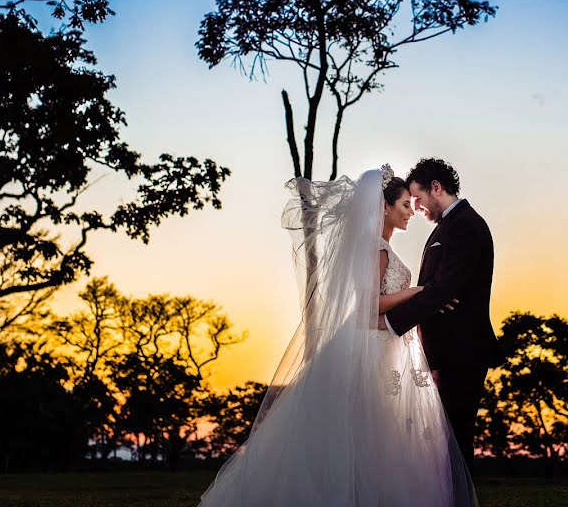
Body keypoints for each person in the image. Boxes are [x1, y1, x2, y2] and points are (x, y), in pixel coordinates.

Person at [198, 167, 476, 506]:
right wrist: (419, 290)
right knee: (374, 432)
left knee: (385, 434)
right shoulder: (378, 249)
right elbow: (370, 303)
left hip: (389, 345)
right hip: (375, 349)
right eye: (405, 205)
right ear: (385, 207)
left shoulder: (381, 246)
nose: (411, 212)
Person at [381, 158, 503, 467]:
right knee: (445, 440)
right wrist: (435, 293)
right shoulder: (449, 225)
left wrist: (390, 322)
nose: (417, 207)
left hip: (463, 349)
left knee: (456, 438)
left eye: (418, 199)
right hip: (446, 350)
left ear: (436, 188)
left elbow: (444, 287)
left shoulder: (465, 225)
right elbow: (438, 287)